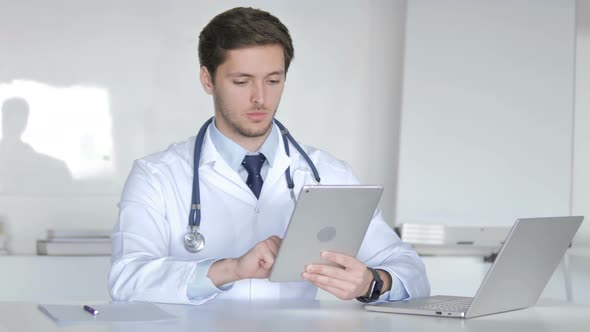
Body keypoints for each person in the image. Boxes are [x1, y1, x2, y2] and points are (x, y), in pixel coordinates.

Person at [108, 7, 430, 305]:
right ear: (208, 80)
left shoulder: (328, 174)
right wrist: (230, 269)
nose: (260, 98)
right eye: (241, 81)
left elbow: (411, 273)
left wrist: (371, 283)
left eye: (273, 81)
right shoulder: (156, 176)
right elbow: (126, 278)